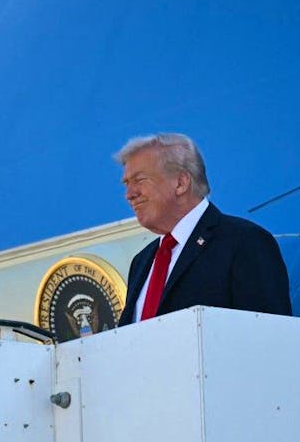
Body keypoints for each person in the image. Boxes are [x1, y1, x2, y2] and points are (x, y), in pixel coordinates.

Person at [116, 133, 291, 325]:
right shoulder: (142, 261)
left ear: (181, 182)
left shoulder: (244, 242)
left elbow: (269, 335)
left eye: (139, 180)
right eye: (126, 184)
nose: (129, 194)